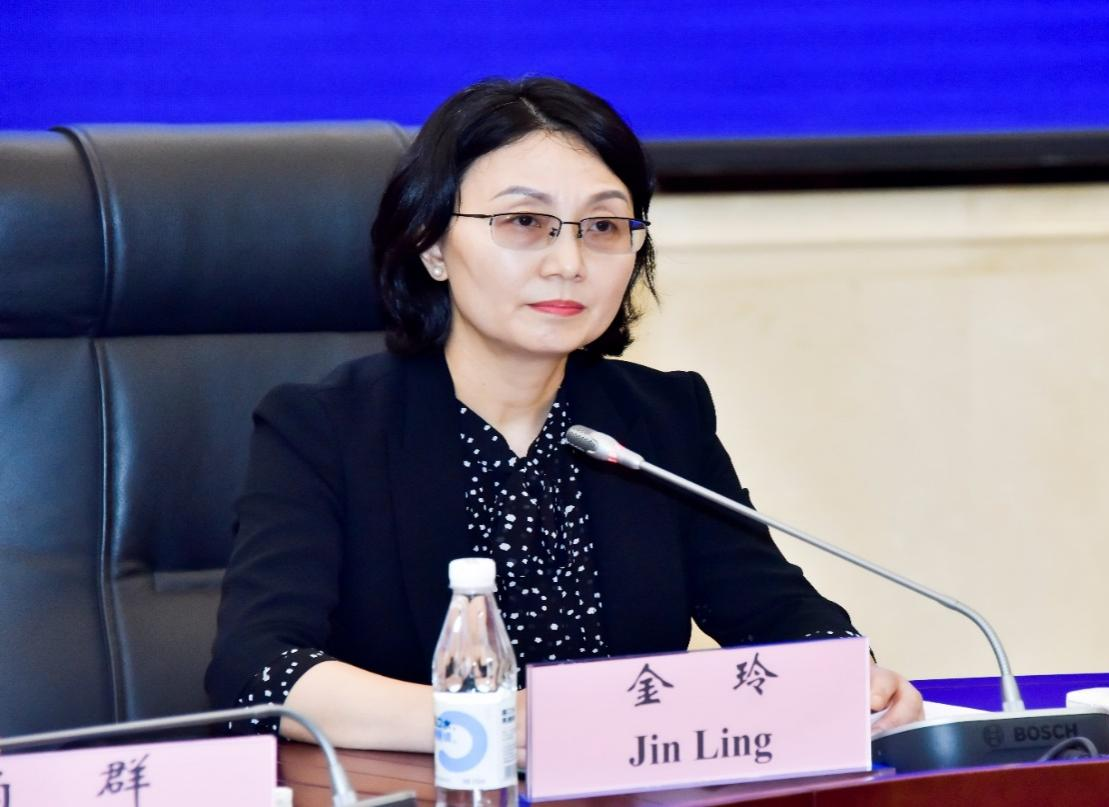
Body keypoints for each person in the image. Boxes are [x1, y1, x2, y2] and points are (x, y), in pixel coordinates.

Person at [205, 76, 923, 757]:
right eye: (525, 222)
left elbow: (776, 614)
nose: (569, 262)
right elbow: (259, 670)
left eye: (603, 225)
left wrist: (846, 674)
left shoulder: (659, 422)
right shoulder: (324, 430)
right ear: (431, 245)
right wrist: (485, 722)